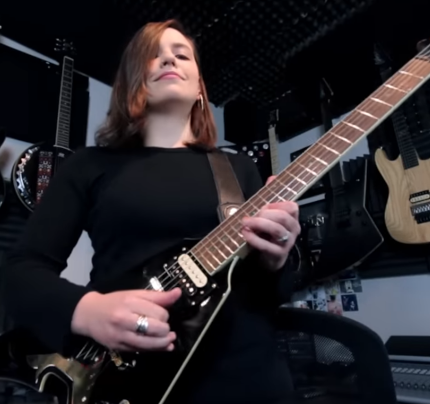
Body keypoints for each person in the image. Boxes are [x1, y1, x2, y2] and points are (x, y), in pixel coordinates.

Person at [0, 19, 302, 404]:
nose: (168, 60)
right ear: (132, 81)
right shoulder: (88, 165)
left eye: (182, 55)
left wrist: (278, 259)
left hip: (250, 380)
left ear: (199, 88)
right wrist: (88, 311)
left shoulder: (238, 168)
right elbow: (21, 271)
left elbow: (274, 292)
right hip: (129, 383)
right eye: (152, 55)